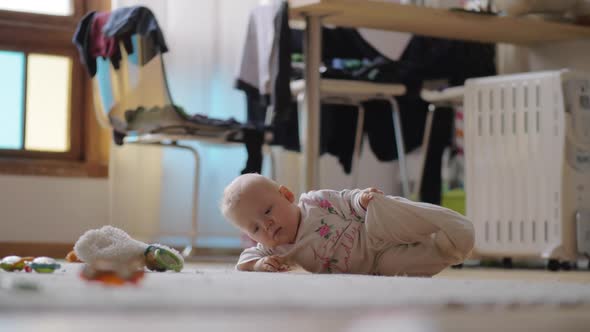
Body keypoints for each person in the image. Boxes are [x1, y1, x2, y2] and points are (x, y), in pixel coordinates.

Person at [220, 173, 474, 276]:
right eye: (255, 228)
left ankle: (444, 223)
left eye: (267, 211)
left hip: (371, 230)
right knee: (404, 267)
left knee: (379, 206)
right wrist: (259, 264)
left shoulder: (314, 202)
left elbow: (345, 200)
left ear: (287, 196)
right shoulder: (277, 249)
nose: (267, 225)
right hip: (376, 266)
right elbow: (244, 261)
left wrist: (360, 200)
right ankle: (450, 248)